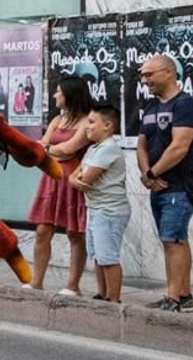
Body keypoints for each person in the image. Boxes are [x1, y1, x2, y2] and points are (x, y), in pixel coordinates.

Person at [136, 54, 193, 312]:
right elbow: (142, 143)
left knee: (173, 240)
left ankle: (174, 298)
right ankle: (183, 295)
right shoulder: (152, 108)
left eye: (149, 74)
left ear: (168, 72)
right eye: (143, 75)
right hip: (157, 186)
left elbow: (180, 147)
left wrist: (152, 174)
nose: (145, 80)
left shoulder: (186, 105)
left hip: (180, 186)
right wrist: (147, 174)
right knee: (174, 240)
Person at [26, 75, 93, 294]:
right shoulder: (57, 120)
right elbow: (41, 147)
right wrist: (49, 150)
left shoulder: (87, 121)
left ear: (70, 94)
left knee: (75, 233)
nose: (55, 95)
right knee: (42, 230)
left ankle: (73, 285)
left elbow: (68, 149)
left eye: (58, 91)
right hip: (51, 180)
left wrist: (49, 149)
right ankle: (37, 281)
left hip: (74, 180)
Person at [70, 105, 129, 302]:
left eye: (92, 122)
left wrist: (79, 181)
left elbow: (85, 180)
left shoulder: (109, 148)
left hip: (109, 211)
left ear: (107, 125)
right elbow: (74, 176)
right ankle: (102, 294)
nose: (87, 127)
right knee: (97, 255)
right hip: (94, 208)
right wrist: (77, 180)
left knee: (108, 257)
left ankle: (113, 299)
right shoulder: (93, 149)